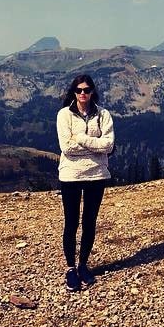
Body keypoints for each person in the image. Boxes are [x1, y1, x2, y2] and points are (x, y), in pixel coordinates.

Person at [56, 74, 114, 292]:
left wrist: (80, 138)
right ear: (73, 92)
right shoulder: (64, 115)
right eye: (79, 90)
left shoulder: (104, 114)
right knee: (71, 223)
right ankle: (70, 268)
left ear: (92, 92)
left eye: (87, 90)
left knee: (90, 222)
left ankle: (83, 265)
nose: (83, 94)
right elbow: (66, 147)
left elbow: (109, 146)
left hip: (97, 175)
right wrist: (95, 145)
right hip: (70, 175)